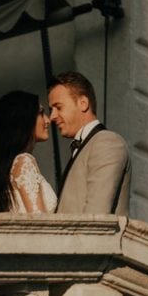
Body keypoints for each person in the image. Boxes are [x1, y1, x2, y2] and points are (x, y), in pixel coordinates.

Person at [48, 70, 131, 215]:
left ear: (83, 103)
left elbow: (95, 218)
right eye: (51, 109)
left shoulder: (107, 143)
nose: (52, 116)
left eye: (58, 107)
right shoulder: (89, 145)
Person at [0, 90, 57, 212]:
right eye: (41, 113)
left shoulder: (11, 165)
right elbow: (40, 221)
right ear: (24, 118)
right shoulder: (24, 161)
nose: (47, 120)